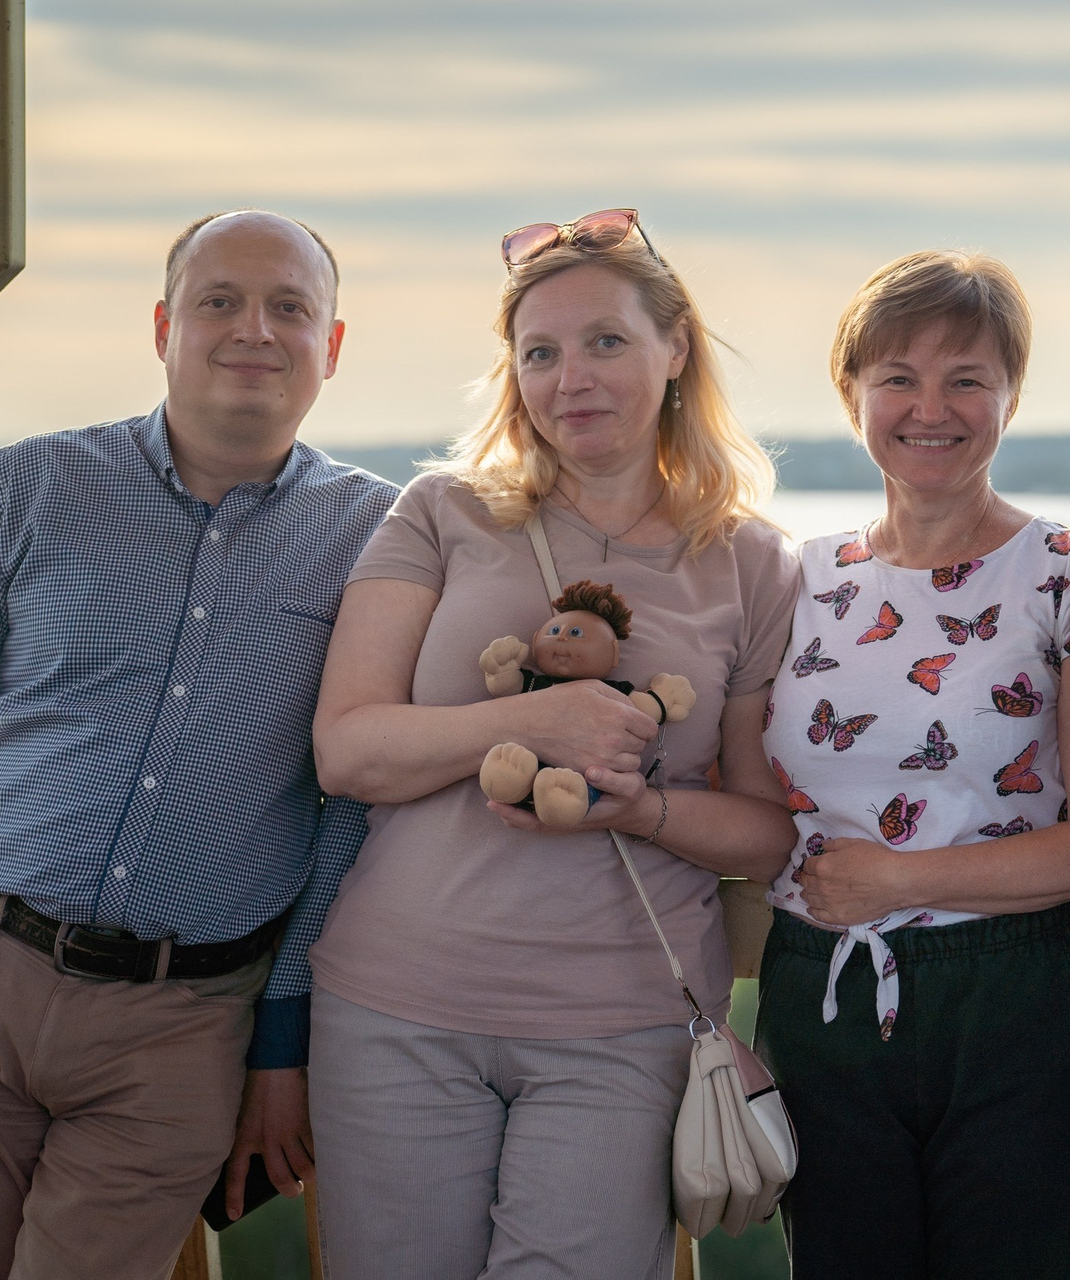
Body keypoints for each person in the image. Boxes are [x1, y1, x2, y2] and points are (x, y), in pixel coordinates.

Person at [0, 210, 396, 1277]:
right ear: (164, 328)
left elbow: (350, 811)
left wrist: (283, 1045)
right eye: (219, 301)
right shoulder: (25, 486)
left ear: (332, 346)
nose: (254, 329)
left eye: (290, 307)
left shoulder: (376, 539)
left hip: (183, 1026)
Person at [304, 208, 800, 1278]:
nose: (571, 377)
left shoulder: (753, 563)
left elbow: (766, 834)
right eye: (540, 352)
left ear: (677, 350)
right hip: (394, 1010)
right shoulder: (440, 512)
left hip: (624, 1030)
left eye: (606, 341)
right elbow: (347, 749)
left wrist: (643, 808)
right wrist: (527, 721)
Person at [756, 250, 1070, 1279]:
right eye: (898, 378)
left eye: (967, 379)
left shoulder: (1069, 576)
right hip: (821, 991)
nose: (931, 409)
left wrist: (900, 878)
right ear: (852, 395)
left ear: (1011, 395)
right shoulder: (795, 579)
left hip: (1018, 995)